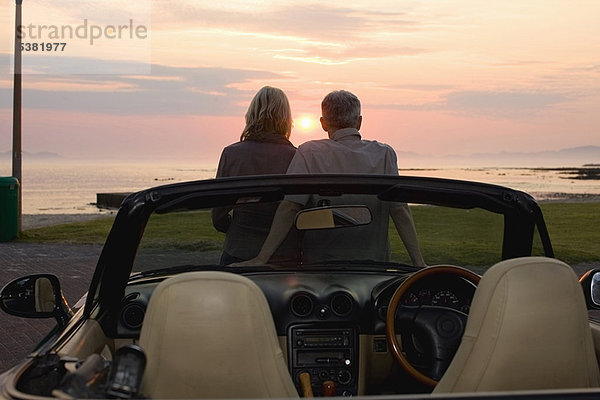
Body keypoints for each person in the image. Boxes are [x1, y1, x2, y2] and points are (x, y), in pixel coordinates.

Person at [232, 90, 426, 267]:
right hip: (372, 264)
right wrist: (419, 263)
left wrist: (262, 258)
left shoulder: (309, 152)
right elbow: (400, 211)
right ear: (359, 122)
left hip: (320, 264)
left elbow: (290, 207)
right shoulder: (384, 153)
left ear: (323, 123)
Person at [211, 86, 298, 265]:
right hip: (284, 254)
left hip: (238, 249)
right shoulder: (297, 156)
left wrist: (236, 229)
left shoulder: (232, 154)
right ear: (286, 118)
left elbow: (218, 213)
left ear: (251, 114)